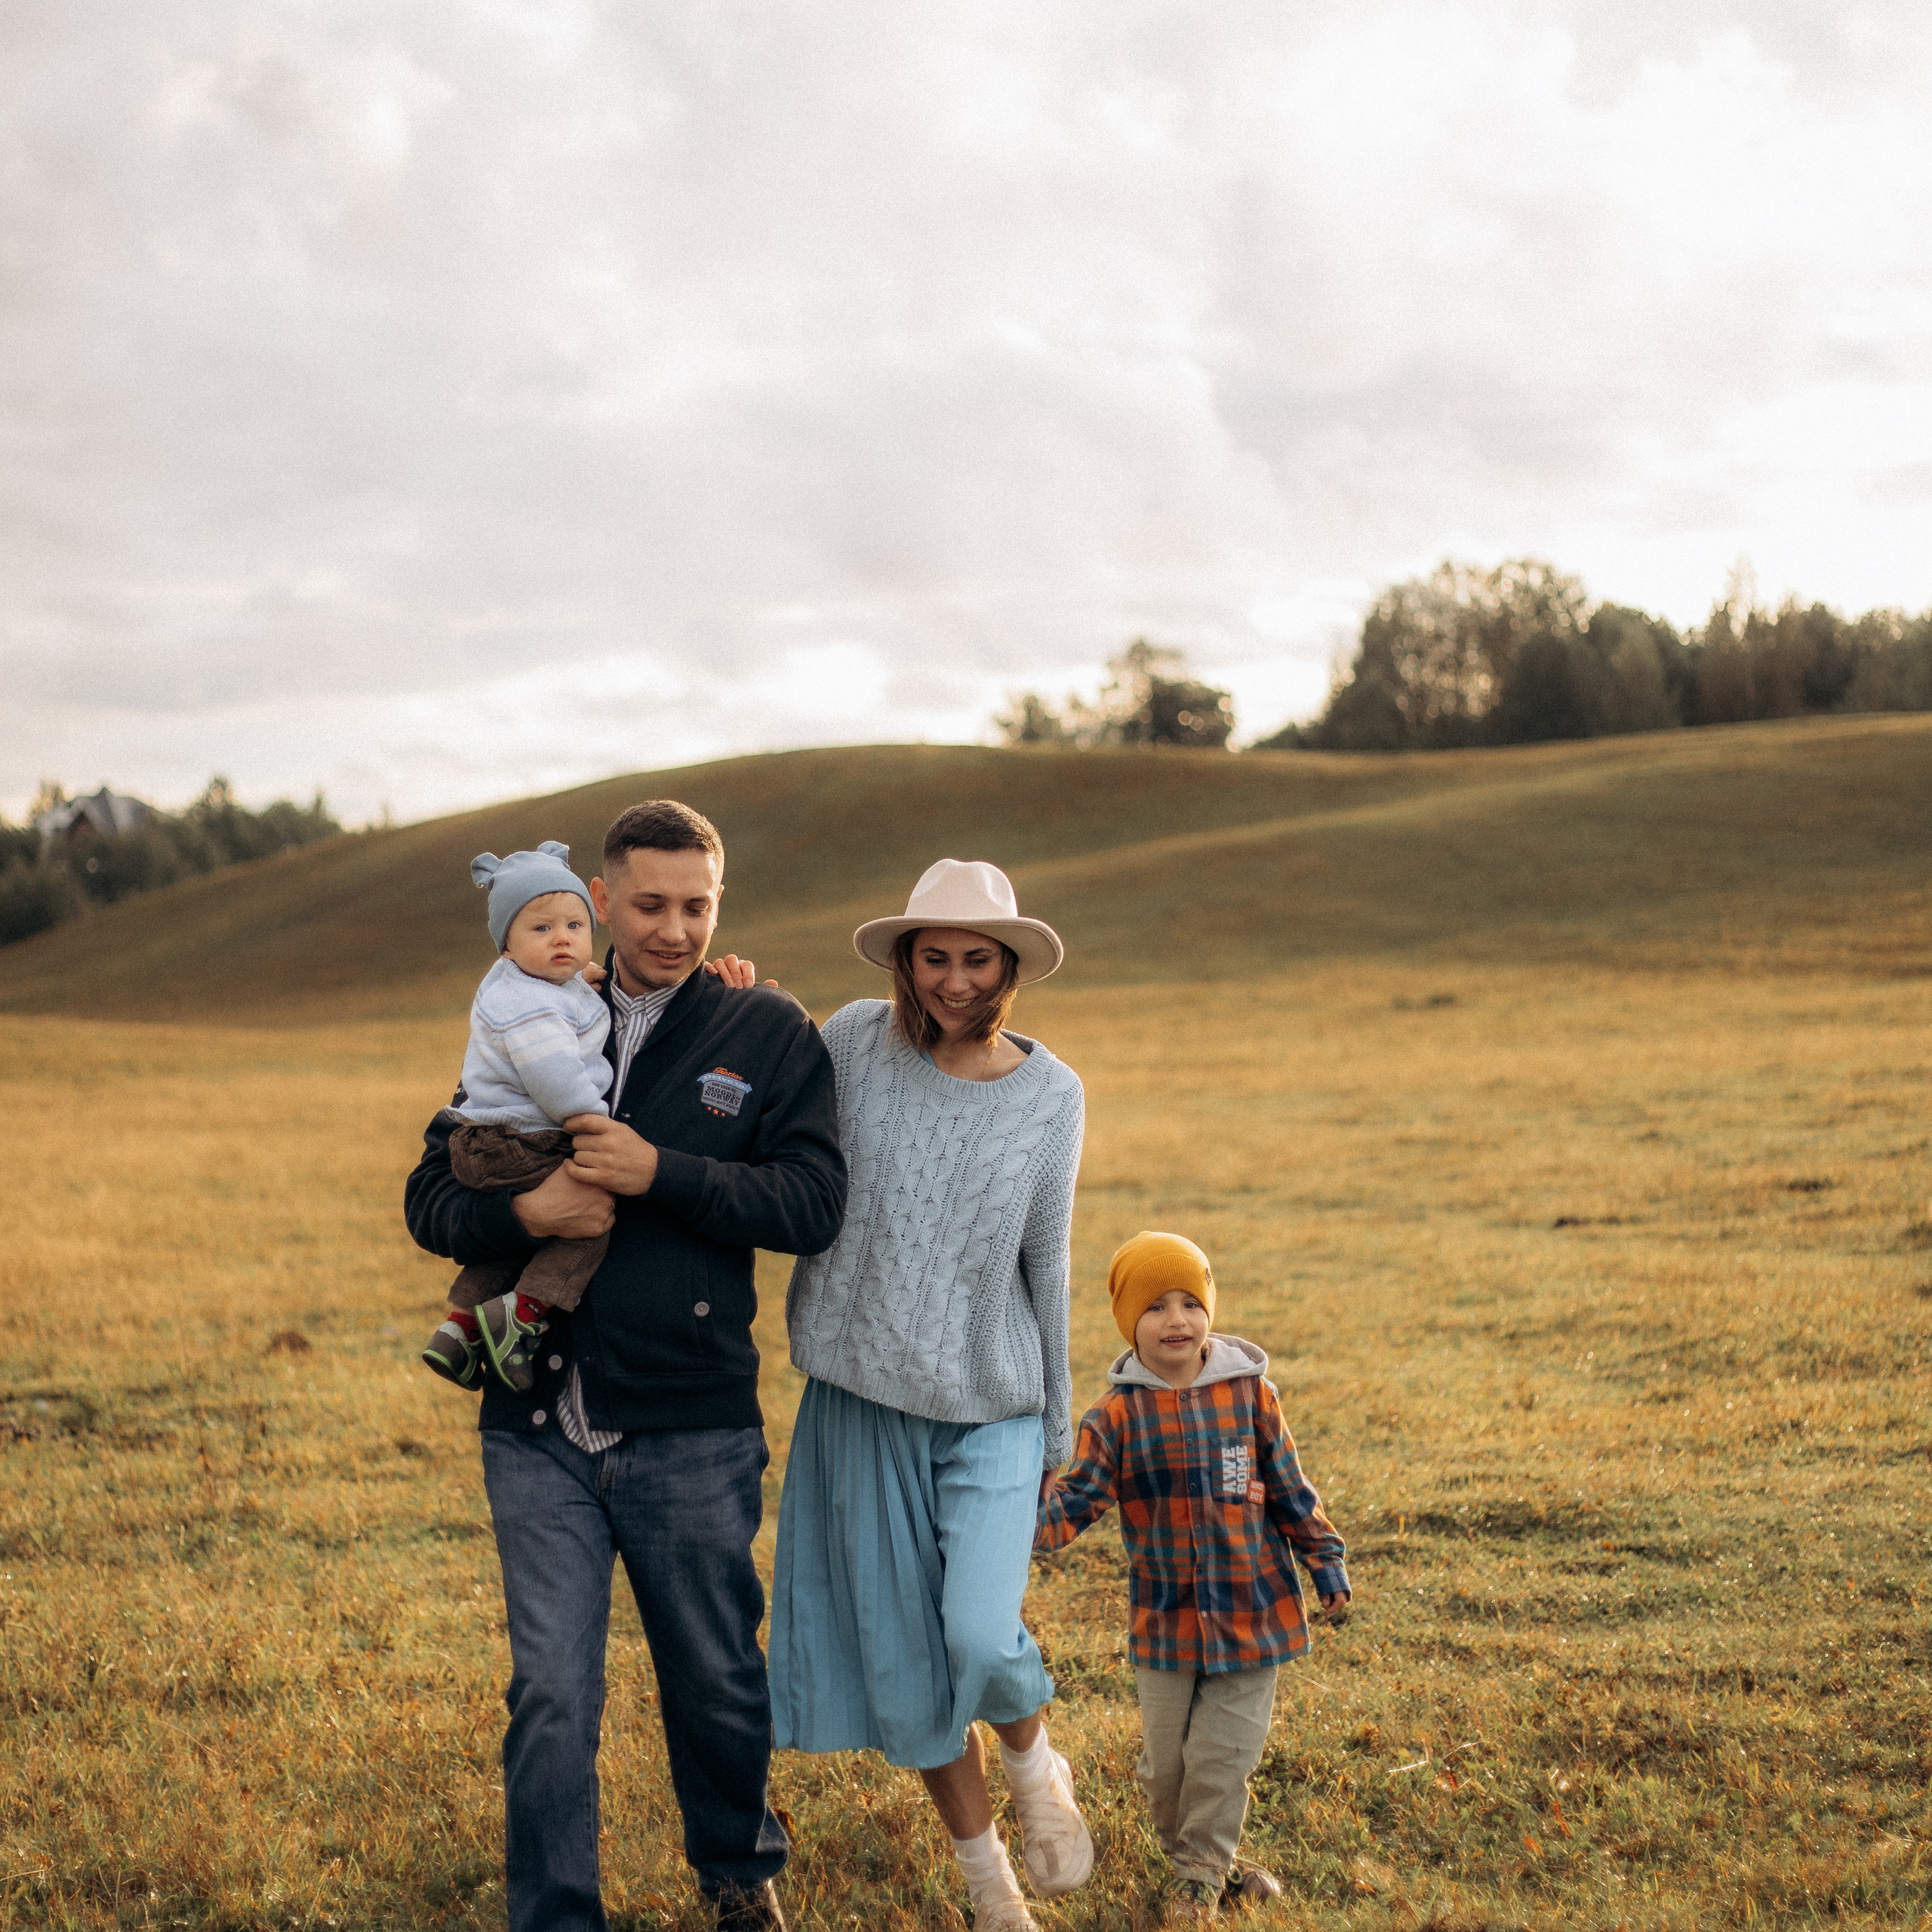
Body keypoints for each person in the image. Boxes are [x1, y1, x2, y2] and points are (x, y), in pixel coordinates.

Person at [404, 799, 848, 1932]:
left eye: (697, 905)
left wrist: (668, 1173)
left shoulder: (763, 1028)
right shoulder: (531, 1004)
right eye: (648, 905)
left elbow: (813, 1202)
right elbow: (430, 1191)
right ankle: (555, 1915)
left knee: (713, 1677)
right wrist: (522, 1206)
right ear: (598, 902)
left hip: (691, 1423)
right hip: (536, 1420)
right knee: (551, 1691)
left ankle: (737, 1876)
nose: (674, 928)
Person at [770, 858, 1094, 1932]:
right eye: (936, 956)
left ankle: (1037, 1766)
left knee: (976, 1634)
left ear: (1010, 967)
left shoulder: (1052, 1095)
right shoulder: (853, 1039)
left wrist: (1055, 1419)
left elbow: (1045, 1263)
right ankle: (991, 1887)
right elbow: (767, 1090)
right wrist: (736, 993)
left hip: (991, 1400)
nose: (956, 980)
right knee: (909, 1669)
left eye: (978, 959)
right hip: (861, 1401)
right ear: (906, 960)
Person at [1034, 1232, 1352, 1925]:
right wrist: (1019, 1518)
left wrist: (1324, 1559)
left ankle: (1197, 1882)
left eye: (1189, 1303)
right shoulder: (1115, 1418)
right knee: (1166, 1773)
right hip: (1166, 1622)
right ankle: (1215, 1863)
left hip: (1255, 1613)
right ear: (1129, 1323)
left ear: (1209, 1311)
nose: (1175, 1321)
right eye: (1155, 1308)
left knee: (1221, 1758)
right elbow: (1077, 1502)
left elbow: (1292, 1489)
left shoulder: (1251, 1397)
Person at [418, 841, 617, 1393]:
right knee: (593, 1214)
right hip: (521, 1140)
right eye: (542, 929)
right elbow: (554, 1077)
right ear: (505, 944)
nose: (562, 939)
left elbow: (566, 997)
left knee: (517, 1237)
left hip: (492, 1140)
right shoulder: (529, 1006)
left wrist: (582, 981)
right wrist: (594, 1123)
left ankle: (459, 1328)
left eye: (575, 926)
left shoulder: (529, 986)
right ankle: (523, 1312)